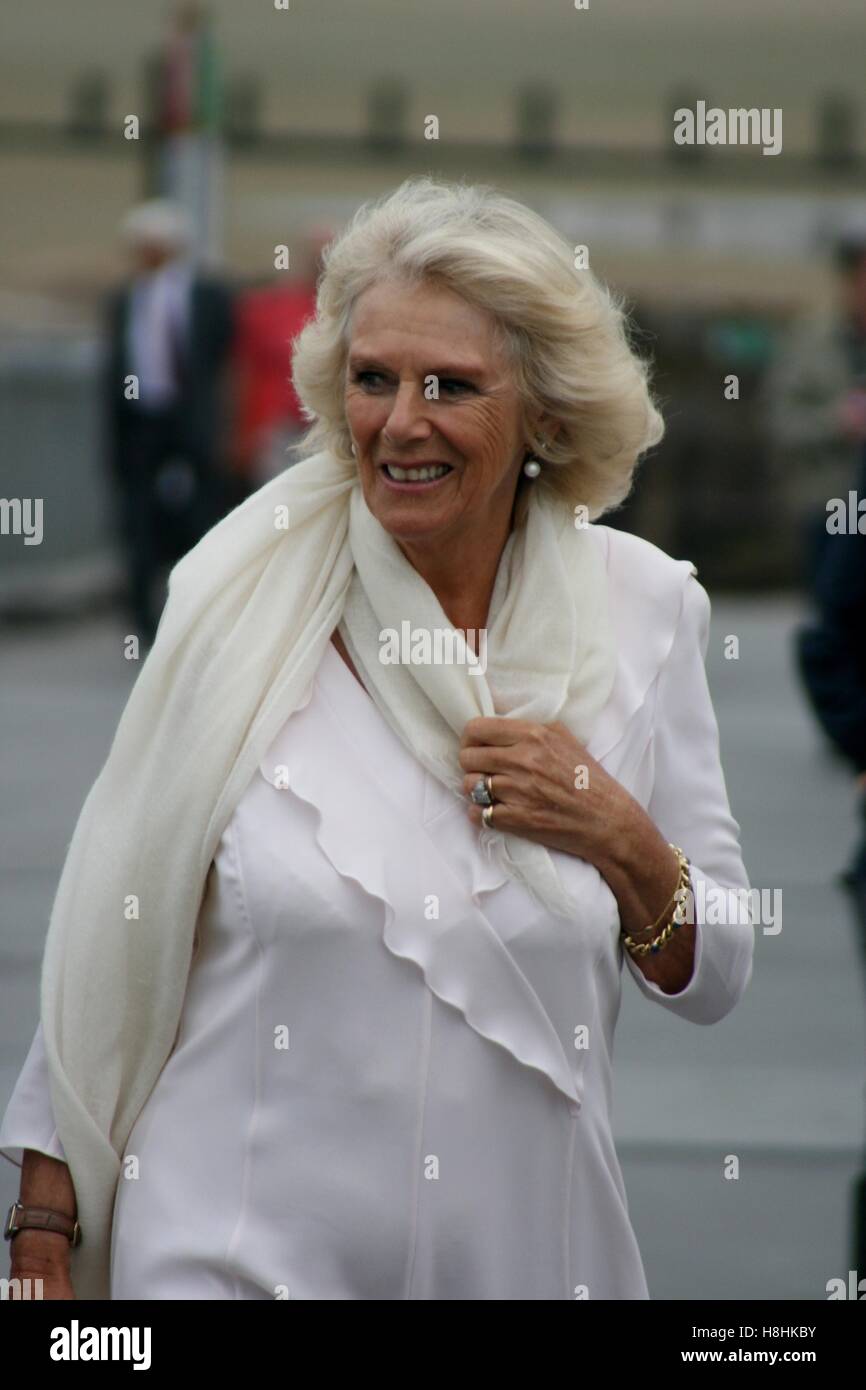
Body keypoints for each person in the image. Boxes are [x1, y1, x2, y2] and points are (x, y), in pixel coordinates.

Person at [2, 177, 754, 1301]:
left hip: (518, 1256)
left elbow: (716, 975)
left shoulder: (645, 612)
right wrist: (41, 1233)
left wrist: (618, 834)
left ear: (543, 413)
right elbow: (117, 917)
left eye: (449, 385)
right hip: (225, 1254)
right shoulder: (238, 593)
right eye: (372, 380)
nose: (400, 422)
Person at [103, 198, 235, 644]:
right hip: (143, 420)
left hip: (193, 420)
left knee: (203, 518)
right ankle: (142, 621)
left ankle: (197, 610)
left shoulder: (208, 295)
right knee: (138, 521)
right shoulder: (125, 299)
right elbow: (115, 369)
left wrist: (226, 426)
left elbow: (228, 361)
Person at [762, 224, 866, 592]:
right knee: (837, 615)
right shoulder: (809, 345)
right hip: (830, 510)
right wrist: (837, 421)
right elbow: (782, 424)